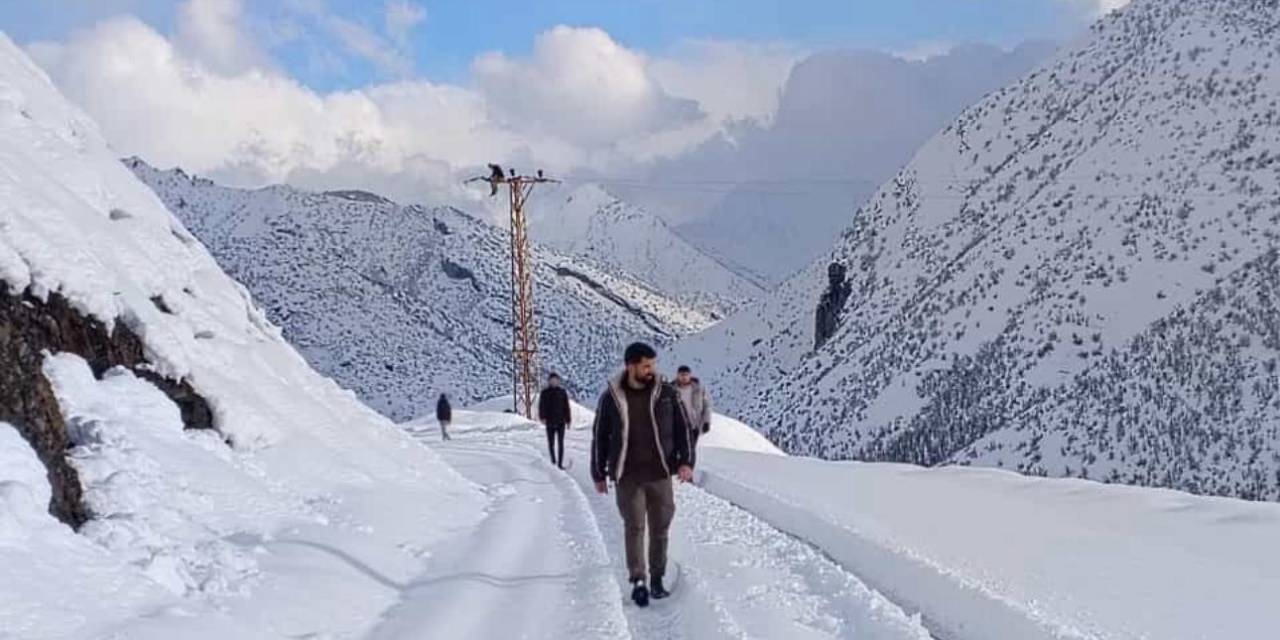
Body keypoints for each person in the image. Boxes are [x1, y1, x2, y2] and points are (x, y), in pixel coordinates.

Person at [590, 342, 695, 608]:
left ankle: (657, 579)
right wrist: (598, 472)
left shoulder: (667, 393)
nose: (651, 370)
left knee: (660, 528)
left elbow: (684, 430)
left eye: (653, 365)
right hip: (627, 475)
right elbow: (600, 436)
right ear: (631, 366)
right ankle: (638, 580)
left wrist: (686, 462)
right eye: (646, 366)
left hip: (660, 472)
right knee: (634, 527)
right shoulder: (611, 397)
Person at [538, 373, 572, 469]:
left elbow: (566, 407)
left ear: (558, 381)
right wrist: (542, 417)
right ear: (549, 381)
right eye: (552, 380)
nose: (554, 382)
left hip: (561, 421)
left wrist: (568, 420)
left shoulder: (562, 392)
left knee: (561, 443)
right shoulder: (545, 393)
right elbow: (541, 406)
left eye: (556, 380)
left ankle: (560, 463)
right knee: (551, 443)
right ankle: (553, 461)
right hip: (549, 421)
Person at [675, 365, 712, 446]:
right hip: (677, 426)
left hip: (694, 425)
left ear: (690, 375)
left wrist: (706, 422)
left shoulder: (698, 389)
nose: (684, 377)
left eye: (686, 375)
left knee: (691, 450)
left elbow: (706, 406)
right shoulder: (672, 389)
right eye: (682, 375)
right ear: (677, 375)